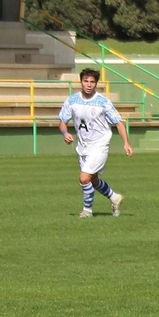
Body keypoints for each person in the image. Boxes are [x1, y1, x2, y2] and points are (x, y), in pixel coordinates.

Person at [58, 68, 131, 218]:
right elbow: (62, 122)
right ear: (81, 82)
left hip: (100, 145)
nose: (89, 85)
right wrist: (65, 133)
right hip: (82, 146)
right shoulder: (72, 100)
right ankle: (114, 197)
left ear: (96, 84)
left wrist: (126, 143)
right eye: (86, 81)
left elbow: (119, 123)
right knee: (93, 180)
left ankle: (87, 211)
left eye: (92, 82)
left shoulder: (103, 102)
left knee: (84, 178)